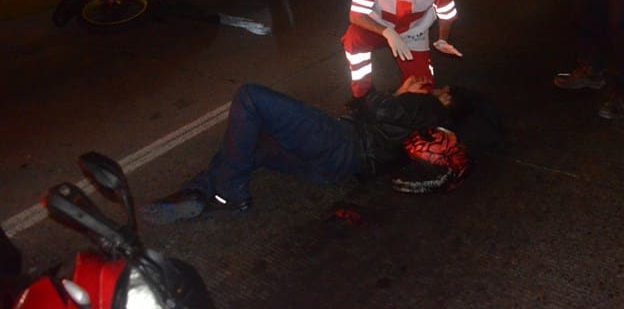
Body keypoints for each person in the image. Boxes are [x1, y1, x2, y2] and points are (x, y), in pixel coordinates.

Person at [140, 76, 471, 224]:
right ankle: (198, 193)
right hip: (334, 168)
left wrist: (401, 92)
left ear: (447, 98)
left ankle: (231, 194)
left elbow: (372, 104)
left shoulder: (429, 108)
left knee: (250, 97)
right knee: (246, 143)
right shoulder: (431, 127)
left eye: (439, 89)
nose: (430, 87)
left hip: (340, 142)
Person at [341, 0, 462, 101]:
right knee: (353, 39)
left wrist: (442, 40)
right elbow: (356, 15)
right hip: (379, 27)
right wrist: (387, 32)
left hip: (414, 33)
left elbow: (447, 14)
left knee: (422, 88)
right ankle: (362, 96)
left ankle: (411, 98)